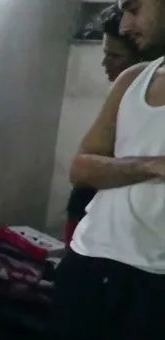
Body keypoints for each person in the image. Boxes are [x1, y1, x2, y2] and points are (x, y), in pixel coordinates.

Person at [0, 0, 165, 340]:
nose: (127, 22)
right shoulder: (135, 79)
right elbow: (83, 164)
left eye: (137, 7)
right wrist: (148, 166)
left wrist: (125, 172)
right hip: (91, 261)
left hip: (155, 282)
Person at [63, 4, 147, 245]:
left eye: (115, 56)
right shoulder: (121, 97)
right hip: (91, 215)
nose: (105, 64)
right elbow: (80, 171)